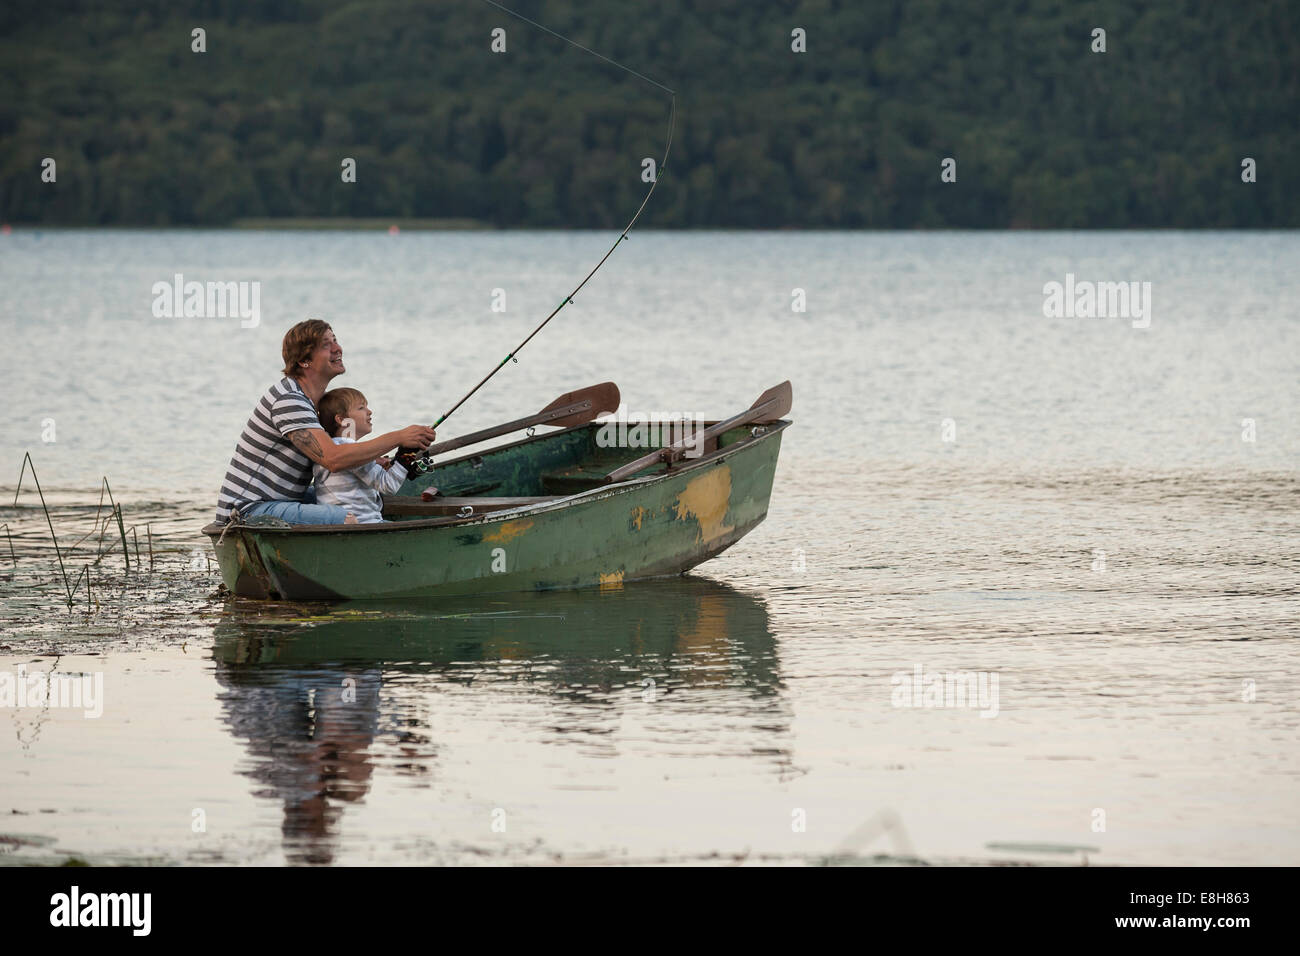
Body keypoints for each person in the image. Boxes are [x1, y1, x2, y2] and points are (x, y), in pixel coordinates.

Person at [214, 319, 436, 525]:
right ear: (304, 361)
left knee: (361, 491)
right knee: (347, 517)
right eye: (325, 345)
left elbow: (340, 448)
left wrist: (370, 460)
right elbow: (333, 458)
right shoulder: (289, 400)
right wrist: (399, 437)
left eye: (335, 341)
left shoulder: (309, 400)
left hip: (286, 499)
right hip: (248, 510)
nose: (337, 349)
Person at [313, 387, 408, 524]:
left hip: (340, 524)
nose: (369, 412)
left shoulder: (331, 448)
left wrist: (376, 463)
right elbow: (388, 485)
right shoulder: (351, 452)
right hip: (364, 524)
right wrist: (404, 458)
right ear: (341, 419)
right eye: (361, 408)